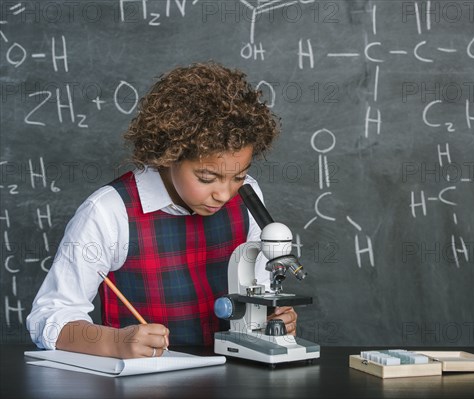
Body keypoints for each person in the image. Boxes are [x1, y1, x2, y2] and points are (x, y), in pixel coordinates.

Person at [26, 62, 297, 359]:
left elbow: (259, 290)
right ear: (168, 155)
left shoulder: (248, 197)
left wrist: (273, 320)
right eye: (207, 178)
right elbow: (47, 319)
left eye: (238, 176)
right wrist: (113, 342)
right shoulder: (108, 212)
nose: (224, 194)